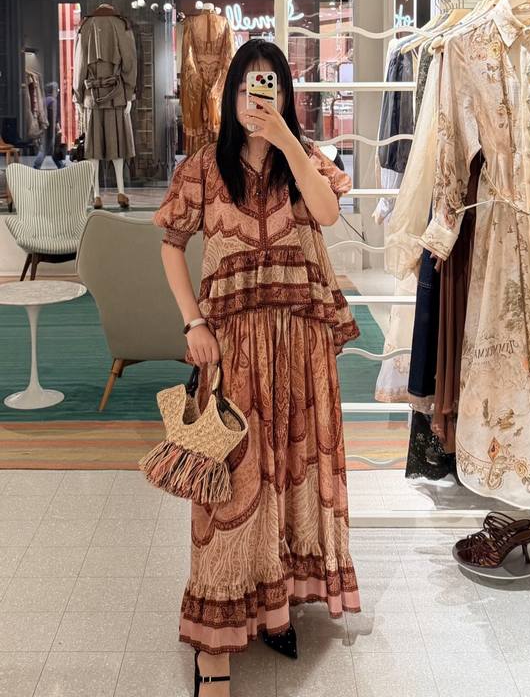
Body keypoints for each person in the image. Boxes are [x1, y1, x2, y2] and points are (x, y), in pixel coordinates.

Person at [153, 39, 362, 696]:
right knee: (231, 490)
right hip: (234, 349)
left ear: (285, 95)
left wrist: (289, 143)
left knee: (291, 479)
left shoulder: (305, 162)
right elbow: (170, 244)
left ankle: (276, 605)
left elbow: (327, 214)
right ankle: (213, 646)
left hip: (299, 345)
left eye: (270, 86)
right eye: (247, 86)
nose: (257, 98)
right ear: (231, 95)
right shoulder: (202, 168)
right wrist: (193, 322)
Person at [33, 82, 65, 169]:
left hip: (44, 127)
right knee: (45, 149)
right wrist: (57, 126)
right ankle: (36, 166)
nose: (58, 91)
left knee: (52, 148)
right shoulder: (53, 101)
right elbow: (54, 115)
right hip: (50, 128)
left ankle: (60, 165)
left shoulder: (44, 100)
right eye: (57, 89)